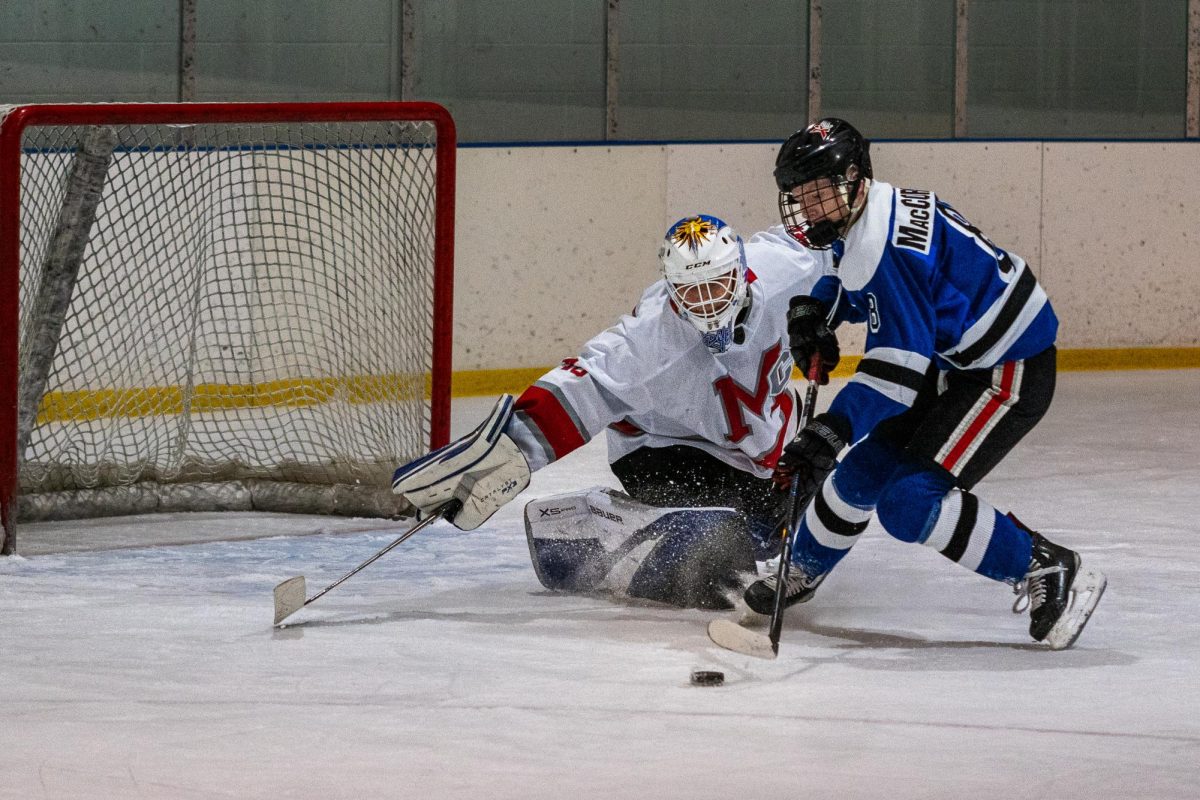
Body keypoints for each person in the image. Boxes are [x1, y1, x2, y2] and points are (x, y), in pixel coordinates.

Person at [753, 117, 1105, 649]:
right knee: (862, 473)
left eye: (818, 192)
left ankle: (1046, 566)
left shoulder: (883, 245)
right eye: (800, 196)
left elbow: (897, 374)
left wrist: (832, 427)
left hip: (1007, 370)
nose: (807, 207)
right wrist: (813, 310)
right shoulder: (872, 212)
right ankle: (801, 566)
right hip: (959, 363)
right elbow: (857, 279)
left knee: (910, 503)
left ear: (852, 177)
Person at [392, 214, 832, 609]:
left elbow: (845, 247)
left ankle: (666, 524)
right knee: (715, 556)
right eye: (689, 293)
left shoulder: (784, 272)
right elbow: (576, 390)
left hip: (757, 449)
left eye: (715, 286)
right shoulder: (648, 342)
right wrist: (494, 461)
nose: (705, 304)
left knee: (779, 521)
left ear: (740, 272)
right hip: (662, 448)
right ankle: (602, 524)